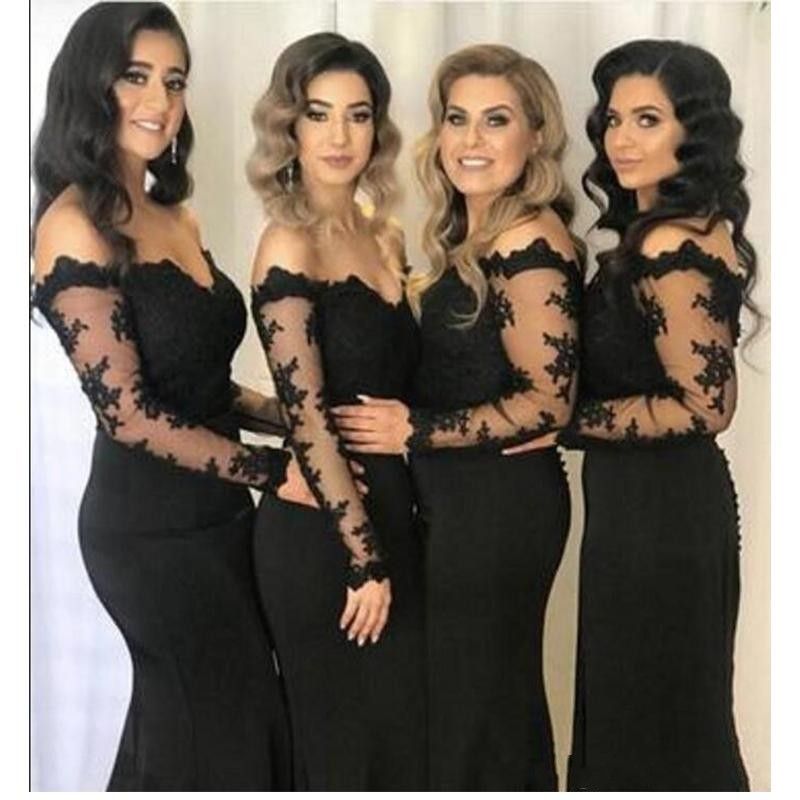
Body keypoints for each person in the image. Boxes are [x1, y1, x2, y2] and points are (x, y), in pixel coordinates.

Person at [30, 2, 300, 789]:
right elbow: (129, 415)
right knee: (215, 724)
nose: (159, 100)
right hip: (147, 527)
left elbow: (203, 386)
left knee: (206, 722)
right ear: (91, 87)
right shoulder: (73, 226)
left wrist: (292, 420)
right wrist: (276, 472)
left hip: (218, 512)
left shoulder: (175, 214)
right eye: (135, 77)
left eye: (174, 81)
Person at [505, 39, 755, 790]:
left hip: (660, 520)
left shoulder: (672, 243)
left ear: (694, 132)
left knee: (655, 725)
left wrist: (562, 422)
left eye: (648, 119)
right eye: (614, 119)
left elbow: (706, 405)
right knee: (656, 717)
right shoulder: (666, 232)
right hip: (649, 508)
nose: (621, 138)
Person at [333, 44, 582, 790]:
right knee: (471, 709)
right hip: (461, 499)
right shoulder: (471, 238)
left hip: (500, 507)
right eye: (457, 118)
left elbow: (549, 399)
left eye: (496, 120)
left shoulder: (528, 240)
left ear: (535, 135)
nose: (471, 140)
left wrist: (413, 430)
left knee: (483, 714)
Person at [246, 32, 427, 789]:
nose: (339, 135)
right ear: (289, 125)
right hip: (323, 535)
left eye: (358, 115)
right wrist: (364, 557)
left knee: (400, 746)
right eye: (318, 114)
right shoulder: (287, 245)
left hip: (396, 511)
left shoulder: (385, 236)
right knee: (340, 751)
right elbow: (307, 414)